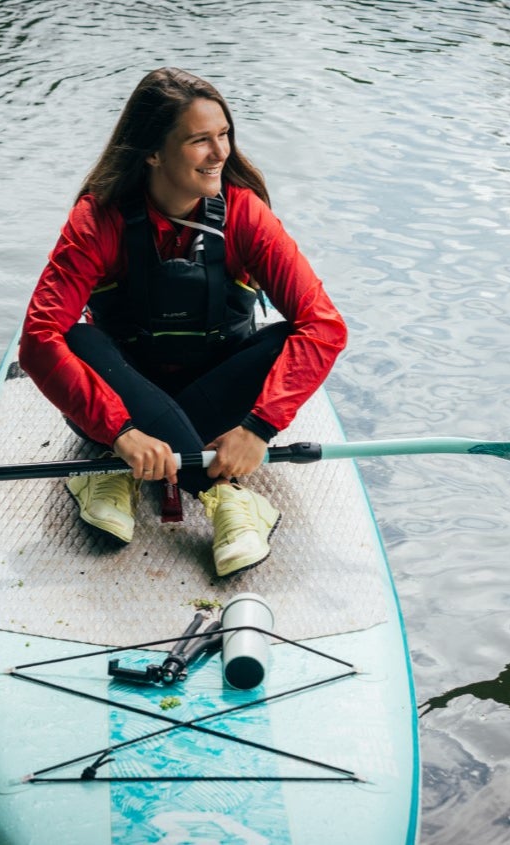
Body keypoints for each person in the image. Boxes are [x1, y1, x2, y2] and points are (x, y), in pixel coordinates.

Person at [19, 67, 347, 578]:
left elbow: (324, 327)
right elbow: (38, 341)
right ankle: (219, 493)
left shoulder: (245, 214)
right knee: (73, 335)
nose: (221, 153)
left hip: (215, 398)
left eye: (224, 135)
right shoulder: (97, 219)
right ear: (152, 151)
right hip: (124, 399)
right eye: (200, 140)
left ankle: (118, 473)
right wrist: (120, 430)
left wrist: (259, 428)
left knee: (291, 334)